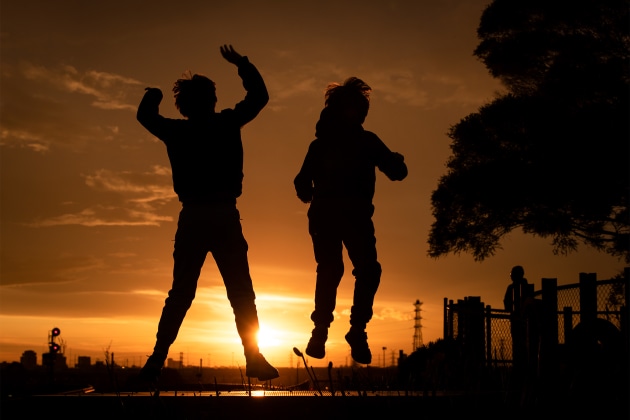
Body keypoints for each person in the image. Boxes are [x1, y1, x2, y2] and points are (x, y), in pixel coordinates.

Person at [136, 45, 278, 382]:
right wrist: (242, 64)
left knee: (181, 292)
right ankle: (253, 358)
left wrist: (153, 95)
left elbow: (145, 116)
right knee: (241, 291)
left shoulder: (177, 131)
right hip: (224, 215)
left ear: (183, 105)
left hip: (194, 217)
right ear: (213, 100)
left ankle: (156, 360)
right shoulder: (227, 123)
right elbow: (259, 96)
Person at [294, 77, 408, 364]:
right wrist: (396, 159)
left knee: (331, 270)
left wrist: (310, 192)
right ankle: (354, 330)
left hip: (326, 216)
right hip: (352, 217)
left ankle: (323, 330)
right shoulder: (365, 141)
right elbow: (397, 172)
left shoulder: (320, 145)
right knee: (365, 270)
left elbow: (300, 183)